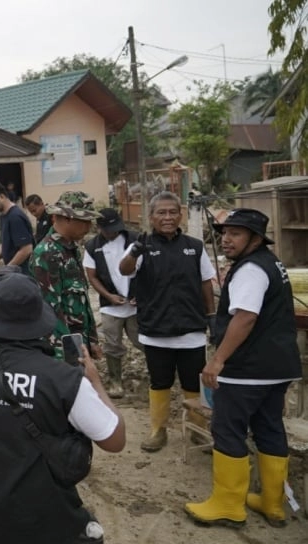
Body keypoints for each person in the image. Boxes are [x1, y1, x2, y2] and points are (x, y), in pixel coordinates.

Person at [0, 274, 125, 544]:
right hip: (43, 522)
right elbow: (115, 439)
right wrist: (95, 382)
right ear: (41, 320)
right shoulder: (64, 380)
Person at [184, 209, 303, 528]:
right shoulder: (271, 263)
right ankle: (272, 502)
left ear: (255, 238)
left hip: (248, 369)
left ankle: (227, 504)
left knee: (228, 429)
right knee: (269, 428)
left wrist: (218, 359)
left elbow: (245, 317)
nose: (226, 239)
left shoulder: (250, 269)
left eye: (236, 233)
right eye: (224, 232)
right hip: (278, 366)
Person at [119, 191, 216, 453]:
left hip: (191, 331)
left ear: (180, 214)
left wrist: (212, 317)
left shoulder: (195, 247)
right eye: (161, 212)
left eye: (173, 212)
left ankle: (197, 430)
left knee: (193, 384)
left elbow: (207, 283)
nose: (168, 217)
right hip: (155, 331)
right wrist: (134, 253)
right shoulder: (140, 245)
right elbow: (124, 269)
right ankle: (157, 430)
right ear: (151, 217)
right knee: (159, 382)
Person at [29, 192, 102, 361]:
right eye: (85, 221)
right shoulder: (47, 254)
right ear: (67, 218)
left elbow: (82, 299)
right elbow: (50, 311)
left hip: (79, 343)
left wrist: (91, 340)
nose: (89, 227)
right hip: (64, 350)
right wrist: (69, 355)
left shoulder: (71, 249)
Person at [83, 208, 143, 398]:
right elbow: (91, 276)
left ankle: (157, 373)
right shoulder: (93, 246)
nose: (113, 233)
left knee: (141, 339)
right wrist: (109, 296)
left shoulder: (135, 239)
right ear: (99, 227)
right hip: (110, 305)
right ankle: (115, 381)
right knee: (112, 343)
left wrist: (142, 293)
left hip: (135, 303)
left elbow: (148, 267)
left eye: (116, 228)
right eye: (109, 230)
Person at [0, 183, 33, 272]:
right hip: (14, 272)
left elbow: (26, 249)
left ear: (2, 197)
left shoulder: (15, 217)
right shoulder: (4, 215)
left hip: (24, 274)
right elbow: (4, 243)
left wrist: (8, 269)